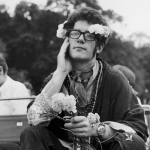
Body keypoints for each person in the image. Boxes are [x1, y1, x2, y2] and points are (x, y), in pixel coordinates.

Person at [20, 7, 148, 150]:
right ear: (67, 42)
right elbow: (34, 119)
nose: (80, 39)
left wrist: (98, 129)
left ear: (99, 46)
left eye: (88, 35)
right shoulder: (55, 78)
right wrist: (61, 72)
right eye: (75, 34)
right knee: (31, 134)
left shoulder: (115, 79)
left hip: (100, 147)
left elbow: (139, 130)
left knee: (132, 143)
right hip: (64, 146)